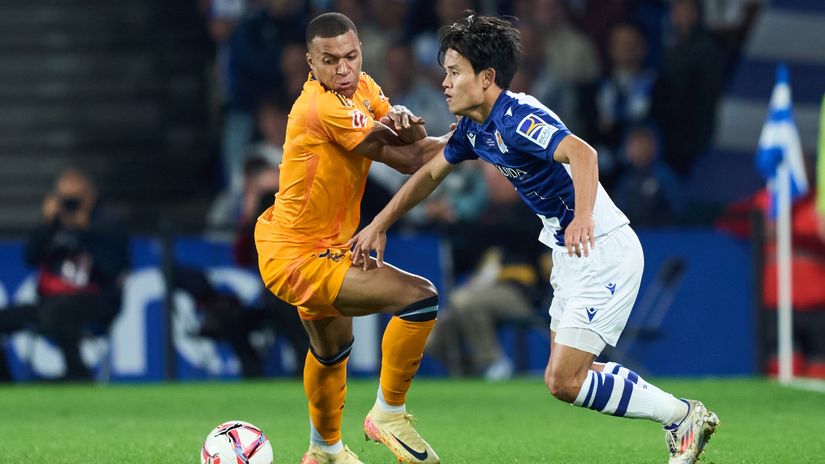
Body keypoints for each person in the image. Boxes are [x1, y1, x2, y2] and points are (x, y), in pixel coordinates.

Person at [350, 15, 719, 463]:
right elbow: (428, 174)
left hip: (600, 247)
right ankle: (681, 415)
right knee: (566, 378)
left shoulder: (519, 117)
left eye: (453, 72)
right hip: (569, 252)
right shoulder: (475, 129)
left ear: (487, 79)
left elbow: (583, 153)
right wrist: (380, 223)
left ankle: (682, 417)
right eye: (445, 72)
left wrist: (582, 217)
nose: (444, 83)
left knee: (565, 379)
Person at [254, 12, 448, 464]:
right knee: (420, 298)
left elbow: (411, 151)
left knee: (331, 352)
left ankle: (324, 451)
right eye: (330, 60)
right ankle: (389, 413)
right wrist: (473, 135)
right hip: (298, 255)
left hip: (322, 246)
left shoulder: (363, 88)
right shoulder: (320, 107)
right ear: (310, 63)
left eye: (351, 56)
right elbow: (411, 155)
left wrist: (408, 122)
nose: (343, 69)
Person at [0, 168, 130, 382]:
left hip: (96, 301)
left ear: (90, 196)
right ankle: (5, 383)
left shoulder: (108, 223)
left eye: (75, 199)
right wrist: (46, 225)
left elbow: (113, 268)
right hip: (51, 303)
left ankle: (78, 374)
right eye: (65, 199)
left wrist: (84, 231)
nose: (70, 206)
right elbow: (30, 257)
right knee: (26, 315)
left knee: (57, 311)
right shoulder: (53, 227)